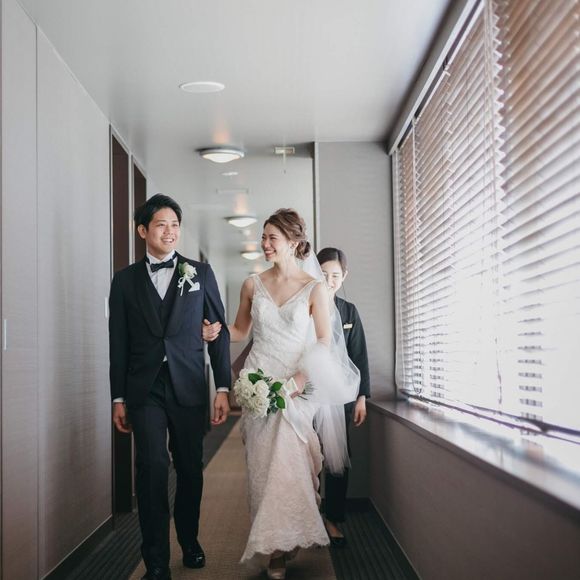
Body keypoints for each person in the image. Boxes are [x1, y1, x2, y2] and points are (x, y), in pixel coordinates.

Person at [205, 209, 358, 579]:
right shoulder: (251, 285)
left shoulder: (314, 288)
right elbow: (240, 330)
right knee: (262, 468)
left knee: (289, 467)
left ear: (293, 242)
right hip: (257, 383)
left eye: (272, 237)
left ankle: (280, 546)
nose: (265, 244)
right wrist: (213, 330)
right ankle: (274, 543)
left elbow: (324, 341)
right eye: (263, 237)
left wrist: (298, 381)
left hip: (294, 389)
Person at [109, 194, 231, 580]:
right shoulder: (124, 281)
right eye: (161, 225)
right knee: (152, 466)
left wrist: (223, 387)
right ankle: (156, 559)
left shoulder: (200, 273)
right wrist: (118, 396)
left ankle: (189, 539)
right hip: (144, 389)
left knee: (190, 467)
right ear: (142, 231)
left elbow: (219, 331)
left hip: (188, 385)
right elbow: (118, 343)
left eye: (175, 225)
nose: (170, 232)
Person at [317, 247, 370, 547]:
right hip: (308, 394)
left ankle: (333, 519)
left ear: (344, 276)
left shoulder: (349, 311)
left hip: (340, 397)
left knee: (338, 459)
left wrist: (361, 397)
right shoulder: (306, 306)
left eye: (335, 275)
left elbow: (359, 355)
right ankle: (307, 517)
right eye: (324, 274)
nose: (329, 281)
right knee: (308, 457)